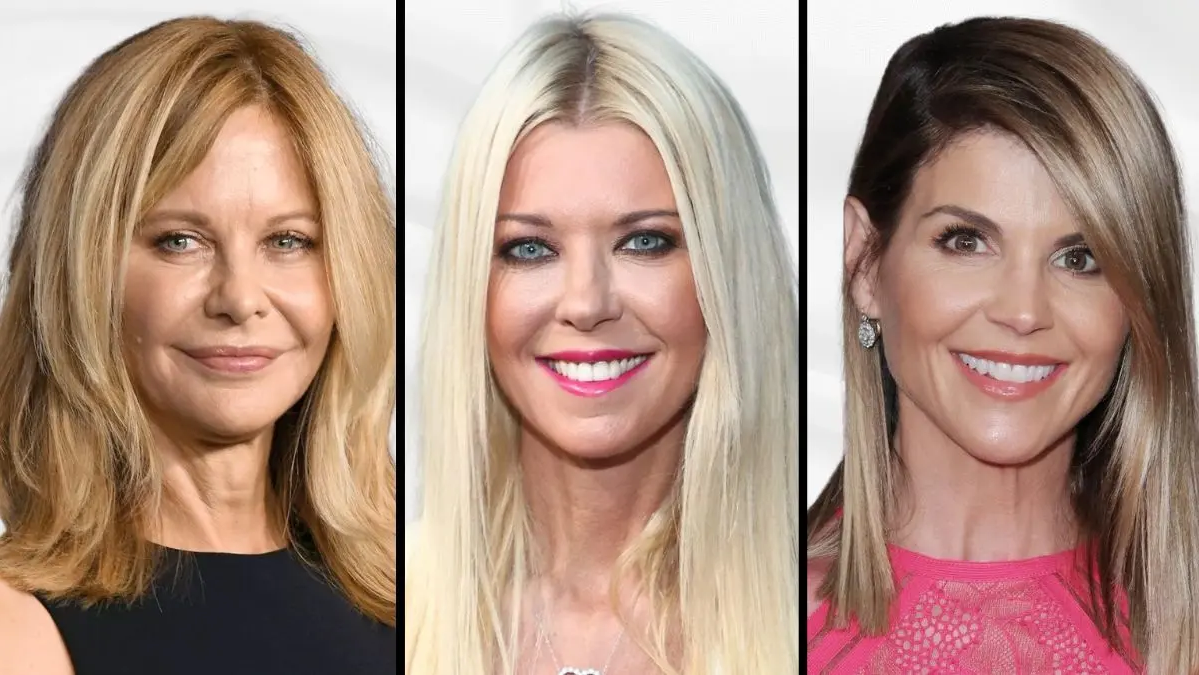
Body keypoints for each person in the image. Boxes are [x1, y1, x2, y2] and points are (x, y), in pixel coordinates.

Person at [404, 11, 800, 675]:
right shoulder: (377, 608)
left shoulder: (821, 622)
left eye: (645, 241)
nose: (586, 303)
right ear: (472, 285)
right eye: (530, 249)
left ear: (727, 275)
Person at [0, 16, 397, 675]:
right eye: (179, 241)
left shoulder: (414, 592)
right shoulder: (17, 625)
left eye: (288, 241)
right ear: (81, 272)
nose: (240, 298)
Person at [807, 16, 1199, 675]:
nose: (1022, 312)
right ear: (866, 262)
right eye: (966, 241)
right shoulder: (739, 619)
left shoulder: (1179, 619)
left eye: (1080, 258)